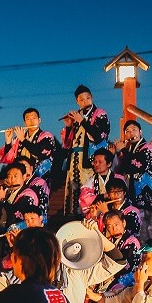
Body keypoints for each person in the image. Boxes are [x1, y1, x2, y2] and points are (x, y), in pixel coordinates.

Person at [60, 85, 110, 218]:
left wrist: (82, 121)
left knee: (89, 189)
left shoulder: (100, 114)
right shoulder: (77, 116)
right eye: (81, 100)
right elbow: (67, 143)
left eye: (88, 98)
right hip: (75, 160)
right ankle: (73, 218)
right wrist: (69, 126)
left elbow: (99, 136)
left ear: (92, 98)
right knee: (73, 193)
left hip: (90, 159)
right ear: (77, 101)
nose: (85, 102)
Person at [112, 119, 152, 215]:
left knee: (145, 226)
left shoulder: (147, 148)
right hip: (130, 194)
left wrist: (124, 150)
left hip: (144, 194)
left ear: (140, 132)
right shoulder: (128, 150)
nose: (131, 133)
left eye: (134, 130)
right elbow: (120, 169)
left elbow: (136, 166)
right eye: (127, 131)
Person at [0, 108, 57, 180]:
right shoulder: (18, 139)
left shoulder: (46, 136)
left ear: (39, 120)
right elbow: (9, 159)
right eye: (28, 119)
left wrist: (23, 139)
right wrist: (8, 141)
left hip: (40, 177)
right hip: (20, 178)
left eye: (34, 118)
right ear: (24, 122)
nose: (32, 121)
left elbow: (40, 153)